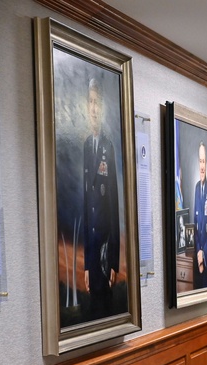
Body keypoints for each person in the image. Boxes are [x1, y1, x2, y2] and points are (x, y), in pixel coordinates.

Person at [82, 77, 120, 320]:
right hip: (93, 253)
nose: (94, 109)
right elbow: (86, 207)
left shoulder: (109, 146)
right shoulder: (86, 146)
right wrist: (86, 263)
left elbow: (115, 207)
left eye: (98, 103)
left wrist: (115, 259)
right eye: (91, 102)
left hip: (106, 253)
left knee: (106, 312)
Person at [192, 143, 207, 289]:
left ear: (206, 163)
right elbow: (195, 224)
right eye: (200, 161)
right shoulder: (196, 188)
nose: (202, 166)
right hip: (198, 255)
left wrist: (204, 254)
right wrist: (198, 252)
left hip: (206, 258)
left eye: (204, 161)